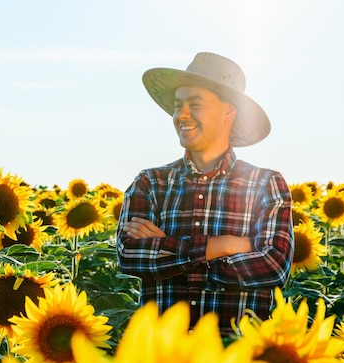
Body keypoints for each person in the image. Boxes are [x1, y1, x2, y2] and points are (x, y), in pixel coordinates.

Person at [116, 52, 294, 336]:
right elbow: (130, 256)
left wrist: (169, 250)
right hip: (162, 357)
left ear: (228, 112)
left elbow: (273, 267)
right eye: (178, 106)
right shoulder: (151, 182)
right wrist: (223, 247)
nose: (181, 115)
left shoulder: (264, 183)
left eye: (194, 105)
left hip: (237, 358)